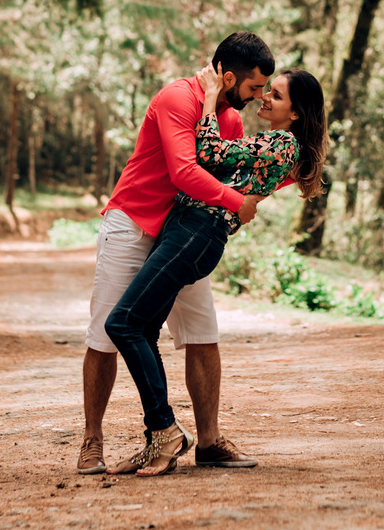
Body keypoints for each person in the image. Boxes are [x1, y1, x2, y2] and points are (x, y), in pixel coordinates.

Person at [104, 64, 328, 476]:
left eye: (276, 95)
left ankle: (165, 430)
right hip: (185, 228)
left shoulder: (284, 144)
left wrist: (208, 98)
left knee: (123, 323)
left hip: (197, 232)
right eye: (266, 90)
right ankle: (159, 440)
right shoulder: (272, 142)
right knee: (142, 328)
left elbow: (208, 154)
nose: (265, 97)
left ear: (296, 113)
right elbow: (225, 171)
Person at [77, 32, 275, 476]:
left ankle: (209, 442)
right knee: (106, 333)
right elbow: (185, 171)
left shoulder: (230, 121)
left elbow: (222, 176)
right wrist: (236, 203)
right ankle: (92, 440)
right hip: (133, 223)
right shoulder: (177, 98)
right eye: (255, 86)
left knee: (202, 332)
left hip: (181, 233)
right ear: (228, 77)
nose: (257, 96)